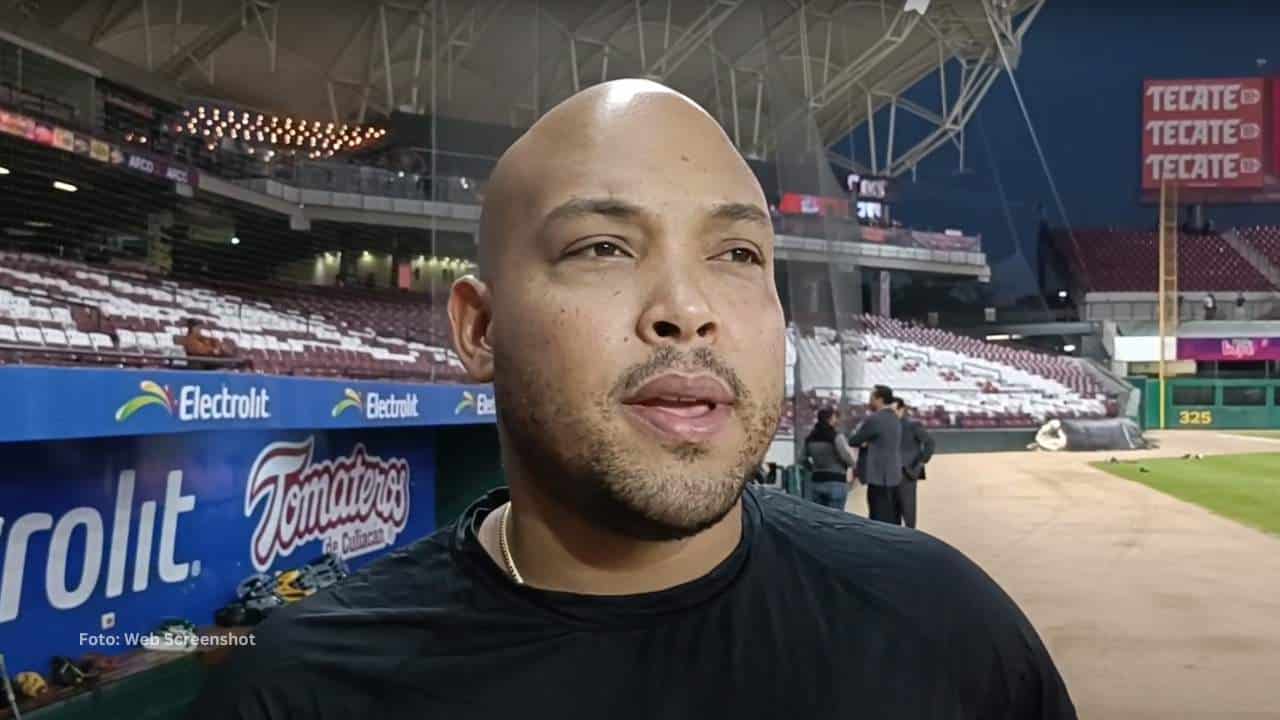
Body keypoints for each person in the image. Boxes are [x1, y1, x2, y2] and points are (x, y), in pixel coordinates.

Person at [189, 80, 1074, 719]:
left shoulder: (947, 627)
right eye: (603, 248)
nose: (686, 310)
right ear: (480, 329)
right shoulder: (297, 692)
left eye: (737, 256)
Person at [848, 385, 904, 524]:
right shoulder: (895, 418)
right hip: (893, 475)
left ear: (880, 399)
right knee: (892, 517)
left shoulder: (876, 419)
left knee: (878, 517)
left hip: (878, 475)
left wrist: (865, 442)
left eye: (872, 398)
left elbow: (854, 440)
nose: (869, 401)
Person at [893, 398, 936, 529]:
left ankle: (910, 537)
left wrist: (920, 463)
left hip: (907, 473)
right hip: (888, 472)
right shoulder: (884, 425)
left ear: (902, 409)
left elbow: (930, 443)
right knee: (891, 513)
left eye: (894, 409)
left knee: (908, 512)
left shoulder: (913, 425)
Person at [802, 407, 856, 510]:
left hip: (816, 481)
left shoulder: (810, 439)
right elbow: (847, 457)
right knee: (835, 517)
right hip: (836, 481)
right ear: (829, 419)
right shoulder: (836, 437)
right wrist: (851, 465)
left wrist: (812, 468)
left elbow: (802, 459)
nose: (837, 420)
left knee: (819, 516)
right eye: (835, 418)